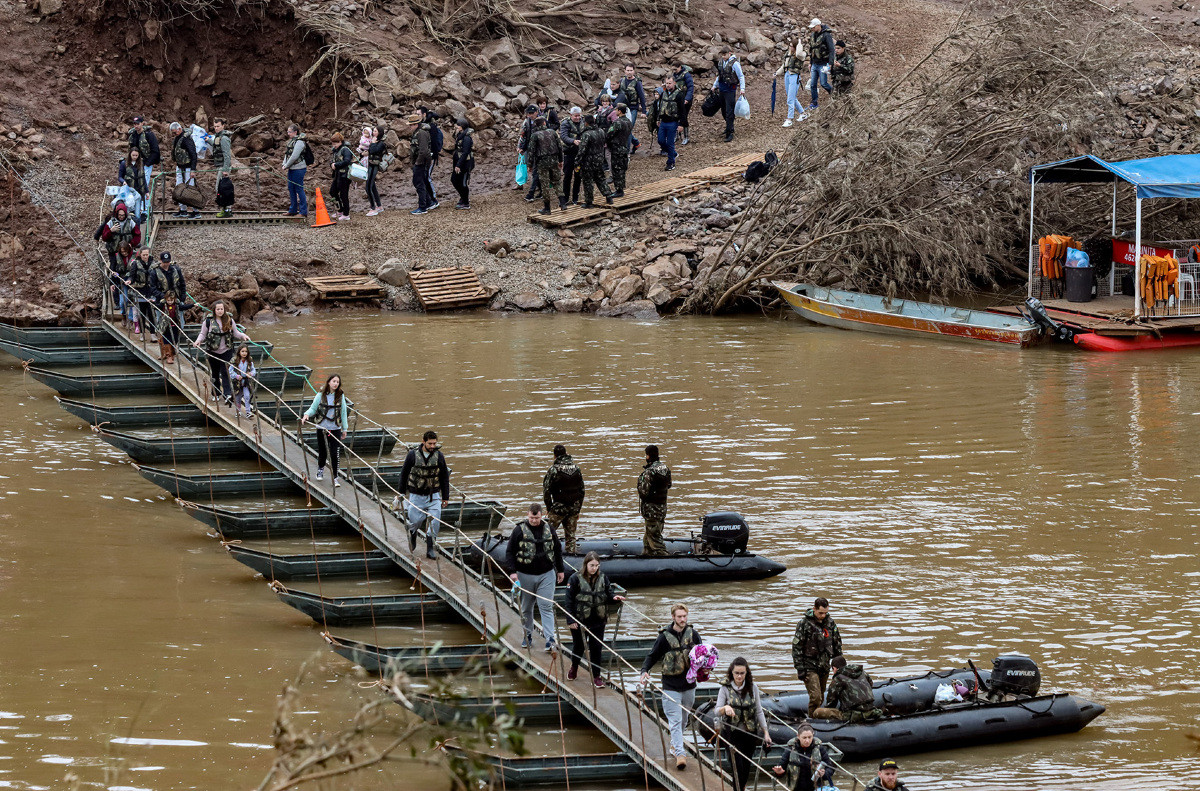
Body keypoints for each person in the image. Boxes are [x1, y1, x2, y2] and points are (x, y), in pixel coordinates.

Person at [639, 604, 700, 769]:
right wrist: (644, 671)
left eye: (684, 616)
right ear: (673, 617)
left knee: (684, 719)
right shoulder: (664, 637)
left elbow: (702, 655)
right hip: (670, 686)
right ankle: (680, 754)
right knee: (675, 720)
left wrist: (706, 668)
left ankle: (674, 744)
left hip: (689, 685)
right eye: (679, 616)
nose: (682, 619)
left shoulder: (693, 634)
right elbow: (652, 656)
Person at [505, 503, 565, 652]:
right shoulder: (519, 530)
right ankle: (528, 635)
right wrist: (512, 572)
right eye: (531, 517)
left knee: (546, 606)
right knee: (526, 608)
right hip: (525, 575)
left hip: (546, 574)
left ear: (542, 515)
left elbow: (557, 549)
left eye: (537, 518)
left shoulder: (549, 529)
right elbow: (510, 552)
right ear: (528, 515)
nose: (534, 521)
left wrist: (561, 570)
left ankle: (550, 639)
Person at [565, 551, 625, 686]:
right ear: (586, 564)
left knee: (596, 648)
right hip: (580, 620)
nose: (594, 568)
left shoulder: (603, 578)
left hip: (598, 620)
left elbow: (609, 593)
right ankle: (574, 667)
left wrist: (615, 598)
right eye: (592, 565)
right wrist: (570, 620)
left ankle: (596, 676)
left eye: (597, 565)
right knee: (579, 646)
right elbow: (568, 602)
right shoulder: (574, 579)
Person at [714, 657, 772, 791]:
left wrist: (766, 732)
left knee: (746, 768)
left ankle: (741, 788)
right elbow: (717, 711)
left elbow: (758, 711)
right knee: (737, 767)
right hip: (732, 733)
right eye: (736, 673)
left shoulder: (753, 688)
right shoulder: (725, 688)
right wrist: (725, 709)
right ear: (732, 673)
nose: (739, 676)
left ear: (747, 673)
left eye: (742, 673)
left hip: (750, 733)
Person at [399, 430, 451, 558]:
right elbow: (404, 474)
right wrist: (401, 493)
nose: (432, 446)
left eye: (434, 443)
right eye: (430, 443)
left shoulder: (439, 456)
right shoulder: (412, 455)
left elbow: (444, 477)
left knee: (435, 521)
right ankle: (413, 533)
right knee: (415, 521)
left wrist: (445, 497)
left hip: (434, 496)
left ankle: (430, 549)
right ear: (423, 442)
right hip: (416, 495)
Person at [791, 597, 843, 717]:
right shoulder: (804, 624)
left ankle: (817, 718)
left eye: (825, 613)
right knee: (815, 697)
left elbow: (837, 643)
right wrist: (800, 668)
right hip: (809, 666)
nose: (823, 616)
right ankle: (812, 720)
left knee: (821, 697)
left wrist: (839, 663)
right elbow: (797, 647)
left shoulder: (830, 623)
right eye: (820, 613)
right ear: (814, 609)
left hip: (824, 666)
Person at [193, 299, 250, 407]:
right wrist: (198, 341)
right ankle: (216, 392)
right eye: (218, 309)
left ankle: (227, 394)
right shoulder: (208, 321)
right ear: (214, 310)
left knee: (226, 372)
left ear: (224, 309)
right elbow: (203, 334)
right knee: (214, 372)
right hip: (212, 350)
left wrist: (243, 336)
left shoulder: (229, 319)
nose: (220, 311)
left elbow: (236, 332)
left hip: (226, 350)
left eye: (221, 309)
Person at [301, 374, 349, 486]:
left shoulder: (340, 396)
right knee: (322, 451)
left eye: (337, 382)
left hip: (335, 428)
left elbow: (343, 412)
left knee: (334, 453)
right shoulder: (321, 395)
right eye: (334, 381)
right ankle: (320, 469)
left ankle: (335, 477)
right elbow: (313, 408)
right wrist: (306, 415)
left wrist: (345, 429)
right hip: (322, 428)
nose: (335, 384)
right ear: (329, 382)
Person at [813, 655, 883, 722]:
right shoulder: (862, 672)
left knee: (817, 712)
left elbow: (831, 703)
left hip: (853, 715)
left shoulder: (838, 679)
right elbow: (870, 684)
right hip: (871, 710)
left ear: (834, 668)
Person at [543, 444, 585, 554]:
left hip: (558, 509)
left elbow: (546, 491)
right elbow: (582, 491)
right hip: (573, 509)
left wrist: (549, 508)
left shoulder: (553, 470)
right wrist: (578, 509)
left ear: (555, 456)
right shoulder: (577, 469)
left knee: (546, 535)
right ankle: (571, 557)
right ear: (566, 454)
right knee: (571, 537)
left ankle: (546, 557)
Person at [772, 723, 837, 791]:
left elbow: (830, 769)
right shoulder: (790, 749)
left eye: (810, 737)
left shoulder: (820, 748)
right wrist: (779, 772)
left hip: (816, 788)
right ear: (798, 736)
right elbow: (780, 770)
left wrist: (824, 774)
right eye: (804, 738)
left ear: (813, 735)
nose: (807, 741)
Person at [637, 444, 672, 556]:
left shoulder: (649, 472)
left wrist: (638, 485)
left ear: (647, 456)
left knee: (655, 539)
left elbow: (644, 492)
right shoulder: (665, 469)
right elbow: (669, 485)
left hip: (651, 510)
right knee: (649, 537)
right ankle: (647, 554)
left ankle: (666, 561)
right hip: (662, 509)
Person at [529, 116, 566, 215]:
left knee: (545, 184)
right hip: (554, 160)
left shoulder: (535, 135)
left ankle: (547, 208)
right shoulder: (553, 132)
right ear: (544, 123)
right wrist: (561, 160)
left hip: (542, 161)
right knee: (557, 181)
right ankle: (563, 203)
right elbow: (559, 147)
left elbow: (531, 151)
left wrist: (530, 164)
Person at [577, 115, 613, 209]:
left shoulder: (586, 134)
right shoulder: (601, 131)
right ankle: (608, 196)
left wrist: (577, 161)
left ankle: (589, 202)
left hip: (588, 161)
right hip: (599, 158)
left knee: (588, 181)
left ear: (586, 123)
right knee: (600, 178)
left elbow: (582, 150)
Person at [148, 251, 187, 337]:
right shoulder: (154, 272)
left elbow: (182, 283)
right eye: (164, 262)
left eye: (168, 262)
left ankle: (178, 336)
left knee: (179, 318)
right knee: (161, 319)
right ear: (160, 260)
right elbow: (152, 288)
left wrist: (183, 296)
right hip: (161, 299)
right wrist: (163, 297)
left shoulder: (176, 269)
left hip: (176, 299)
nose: (166, 264)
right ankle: (163, 336)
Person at [712, 47, 745, 142]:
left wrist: (742, 89)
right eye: (722, 55)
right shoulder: (721, 62)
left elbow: (741, 76)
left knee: (729, 111)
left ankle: (729, 132)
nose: (723, 56)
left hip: (730, 89)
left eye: (724, 54)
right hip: (722, 89)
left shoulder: (735, 64)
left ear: (729, 53)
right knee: (723, 110)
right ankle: (729, 126)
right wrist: (715, 85)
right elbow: (720, 75)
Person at [94, 202, 140, 269]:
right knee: (114, 269)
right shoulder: (110, 222)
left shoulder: (131, 222)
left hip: (127, 251)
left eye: (123, 215)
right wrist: (111, 231)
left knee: (130, 268)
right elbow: (104, 237)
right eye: (119, 215)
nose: (121, 217)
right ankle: (115, 278)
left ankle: (128, 278)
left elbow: (138, 235)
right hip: (114, 251)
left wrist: (132, 243)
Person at [653, 76, 685, 172]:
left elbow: (682, 110)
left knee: (670, 143)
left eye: (670, 83)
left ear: (674, 83)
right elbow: (661, 107)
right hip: (663, 121)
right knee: (661, 140)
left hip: (673, 121)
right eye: (667, 83)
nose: (668, 85)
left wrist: (681, 124)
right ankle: (673, 153)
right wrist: (658, 119)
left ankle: (671, 162)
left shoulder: (679, 94)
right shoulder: (663, 93)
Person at [169, 122, 199, 219]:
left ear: (179, 129)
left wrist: (193, 170)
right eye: (172, 133)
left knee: (190, 189)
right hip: (180, 167)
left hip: (188, 167)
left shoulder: (186, 139)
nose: (174, 134)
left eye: (174, 132)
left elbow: (193, 154)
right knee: (179, 188)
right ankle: (183, 210)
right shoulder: (178, 138)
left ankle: (196, 210)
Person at [126, 246, 156, 339]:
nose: (145, 256)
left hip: (151, 291)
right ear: (140, 254)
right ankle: (143, 333)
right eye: (144, 255)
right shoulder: (135, 263)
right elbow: (132, 275)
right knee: (142, 313)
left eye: (147, 255)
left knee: (151, 313)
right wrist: (129, 281)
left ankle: (153, 333)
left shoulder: (154, 263)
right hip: (140, 290)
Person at [406, 114, 434, 216]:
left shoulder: (421, 133)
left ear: (416, 124)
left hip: (421, 163)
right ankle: (429, 202)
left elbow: (423, 150)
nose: (410, 127)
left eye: (411, 125)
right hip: (420, 162)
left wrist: (418, 162)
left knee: (419, 183)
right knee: (419, 182)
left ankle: (423, 207)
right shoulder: (418, 132)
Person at [615, 65, 646, 154]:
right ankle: (636, 143)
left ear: (634, 71)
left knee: (628, 129)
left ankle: (627, 151)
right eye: (627, 70)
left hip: (633, 108)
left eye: (631, 70)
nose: (629, 72)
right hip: (622, 108)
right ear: (624, 71)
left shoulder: (637, 82)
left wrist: (644, 111)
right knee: (624, 128)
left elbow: (642, 96)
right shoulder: (622, 81)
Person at [776, 38, 806, 126]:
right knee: (792, 97)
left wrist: (799, 43)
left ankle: (790, 119)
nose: (790, 47)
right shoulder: (788, 53)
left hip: (794, 76)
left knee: (790, 99)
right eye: (790, 45)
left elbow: (799, 53)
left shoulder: (801, 54)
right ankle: (803, 113)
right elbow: (784, 65)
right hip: (787, 75)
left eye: (792, 46)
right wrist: (777, 73)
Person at [282, 124, 310, 218]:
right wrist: (284, 163)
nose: (288, 133)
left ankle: (303, 212)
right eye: (288, 131)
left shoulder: (300, 142)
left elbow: (294, 156)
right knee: (291, 188)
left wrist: (286, 165)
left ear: (295, 132)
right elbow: (287, 154)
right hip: (292, 169)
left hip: (299, 168)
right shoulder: (292, 141)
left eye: (289, 132)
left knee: (299, 188)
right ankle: (293, 210)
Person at [806, 19, 835, 110]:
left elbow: (831, 50)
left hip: (823, 64)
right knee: (812, 85)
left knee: (823, 83)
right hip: (814, 63)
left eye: (813, 27)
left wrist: (830, 63)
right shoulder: (812, 36)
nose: (812, 29)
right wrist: (810, 63)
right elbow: (812, 50)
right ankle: (814, 102)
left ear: (818, 25)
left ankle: (835, 94)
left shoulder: (826, 35)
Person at [559, 107, 585, 205]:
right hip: (569, 152)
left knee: (578, 175)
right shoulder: (565, 123)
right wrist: (573, 141)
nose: (578, 118)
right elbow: (563, 136)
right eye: (576, 116)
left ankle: (575, 197)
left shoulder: (583, 121)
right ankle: (565, 198)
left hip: (579, 153)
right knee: (567, 176)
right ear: (571, 115)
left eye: (579, 115)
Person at [605, 104, 632, 197]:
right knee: (622, 168)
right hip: (624, 147)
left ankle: (619, 190)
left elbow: (609, 134)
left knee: (616, 169)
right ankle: (621, 188)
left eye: (616, 110)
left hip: (616, 148)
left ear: (619, 111)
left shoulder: (617, 122)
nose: (615, 111)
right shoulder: (628, 121)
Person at [127, 116, 160, 190]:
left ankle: (144, 201)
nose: (136, 126)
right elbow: (130, 149)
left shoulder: (149, 134)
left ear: (142, 123)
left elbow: (155, 150)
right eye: (134, 124)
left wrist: (148, 163)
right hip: (135, 162)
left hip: (146, 162)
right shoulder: (133, 135)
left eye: (138, 124)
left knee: (144, 185)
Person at [517, 105, 541, 202]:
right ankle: (541, 189)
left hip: (540, 150)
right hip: (529, 148)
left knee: (535, 170)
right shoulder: (526, 122)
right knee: (533, 169)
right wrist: (520, 147)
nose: (531, 115)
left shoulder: (541, 121)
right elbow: (523, 135)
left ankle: (531, 193)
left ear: (536, 112)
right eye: (529, 113)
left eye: (532, 113)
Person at [210, 117, 233, 216]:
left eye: (218, 126)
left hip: (223, 166)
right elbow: (216, 146)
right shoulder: (218, 137)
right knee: (220, 188)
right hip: (220, 165)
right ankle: (226, 209)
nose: (216, 128)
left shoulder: (224, 138)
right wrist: (208, 140)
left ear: (223, 126)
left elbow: (227, 155)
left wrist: (225, 169)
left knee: (222, 189)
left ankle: (227, 210)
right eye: (215, 126)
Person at [117, 149, 149, 220]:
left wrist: (146, 192)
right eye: (133, 155)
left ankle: (137, 227)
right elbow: (119, 177)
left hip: (139, 191)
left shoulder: (141, 164)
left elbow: (143, 179)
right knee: (128, 212)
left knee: (137, 214)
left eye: (136, 155)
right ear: (130, 155)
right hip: (129, 191)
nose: (135, 157)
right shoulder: (124, 163)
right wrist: (123, 182)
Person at [329, 132, 355, 220]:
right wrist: (332, 164)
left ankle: (346, 214)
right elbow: (332, 161)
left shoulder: (345, 150)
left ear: (340, 142)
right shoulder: (336, 151)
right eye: (332, 143)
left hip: (345, 176)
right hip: (337, 175)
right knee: (333, 191)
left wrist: (336, 165)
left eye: (335, 143)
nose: (333, 145)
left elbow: (347, 161)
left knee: (344, 194)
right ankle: (340, 210)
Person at [420, 107, 442, 206]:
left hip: (431, 156)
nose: (417, 116)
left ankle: (433, 200)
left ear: (424, 114)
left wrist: (432, 155)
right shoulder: (425, 125)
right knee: (424, 177)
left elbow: (432, 143)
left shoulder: (430, 127)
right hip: (427, 156)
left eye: (418, 114)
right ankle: (429, 199)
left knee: (426, 177)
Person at [451, 118, 474, 209]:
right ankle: (463, 197)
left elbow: (465, 153)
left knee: (463, 183)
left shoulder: (467, 138)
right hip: (459, 163)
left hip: (465, 164)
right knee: (454, 180)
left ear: (462, 127)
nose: (456, 127)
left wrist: (458, 165)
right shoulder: (460, 135)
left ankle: (466, 202)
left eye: (458, 125)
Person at [365, 123, 388, 216]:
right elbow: (370, 151)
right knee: (372, 186)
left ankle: (373, 208)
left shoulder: (381, 143)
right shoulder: (373, 141)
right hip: (370, 164)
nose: (373, 133)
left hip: (375, 165)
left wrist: (373, 143)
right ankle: (379, 205)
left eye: (375, 131)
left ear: (379, 133)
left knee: (368, 186)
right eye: (373, 131)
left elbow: (374, 150)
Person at [156, 289, 183, 365]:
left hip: (174, 325)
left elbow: (183, 307)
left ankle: (172, 354)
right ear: (166, 299)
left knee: (174, 340)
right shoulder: (163, 304)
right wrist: (152, 302)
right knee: (165, 339)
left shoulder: (177, 304)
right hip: (165, 325)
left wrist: (193, 305)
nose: (170, 302)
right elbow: (156, 306)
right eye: (168, 300)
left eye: (171, 300)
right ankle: (168, 355)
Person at [229, 344, 257, 418]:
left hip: (246, 382)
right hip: (237, 382)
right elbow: (230, 371)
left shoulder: (249, 361)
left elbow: (254, 370)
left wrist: (250, 373)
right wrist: (236, 376)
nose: (244, 353)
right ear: (239, 352)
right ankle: (238, 411)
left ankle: (248, 412)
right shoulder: (235, 360)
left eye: (246, 351)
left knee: (247, 396)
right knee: (237, 397)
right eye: (242, 351)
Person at [671, 63, 695, 146]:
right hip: (677, 98)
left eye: (675, 69)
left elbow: (691, 87)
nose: (674, 71)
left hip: (686, 99)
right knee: (675, 116)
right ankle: (676, 135)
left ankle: (686, 137)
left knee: (683, 116)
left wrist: (687, 98)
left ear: (679, 67)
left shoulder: (686, 75)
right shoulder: (674, 75)